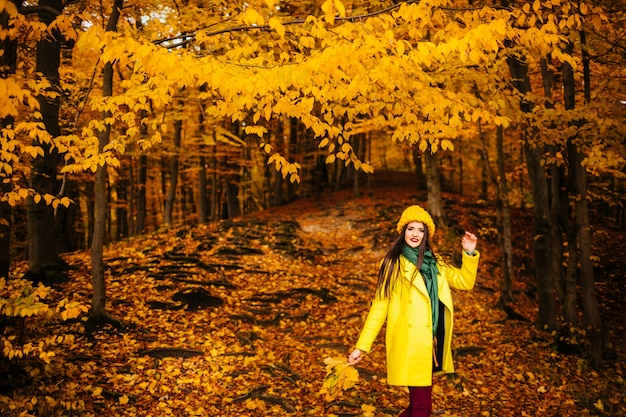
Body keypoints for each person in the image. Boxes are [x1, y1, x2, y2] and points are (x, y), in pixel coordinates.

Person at [347, 205, 480, 417]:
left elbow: (464, 282)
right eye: (411, 229)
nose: (415, 234)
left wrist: (469, 252)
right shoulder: (392, 264)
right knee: (421, 407)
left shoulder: (437, 264)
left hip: (431, 344)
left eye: (421, 230)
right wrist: (361, 347)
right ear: (403, 232)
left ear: (426, 234)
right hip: (409, 343)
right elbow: (379, 307)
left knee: (419, 406)